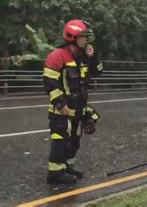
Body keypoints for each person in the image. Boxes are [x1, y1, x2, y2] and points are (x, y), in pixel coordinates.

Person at [43, 19, 103, 184]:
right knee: (60, 140)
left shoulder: (84, 57)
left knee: (74, 142)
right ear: (72, 37)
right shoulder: (58, 56)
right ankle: (55, 174)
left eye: (86, 37)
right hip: (62, 110)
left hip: (78, 108)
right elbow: (50, 82)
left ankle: (67, 168)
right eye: (83, 37)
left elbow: (98, 73)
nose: (86, 40)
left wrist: (93, 57)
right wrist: (60, 103)